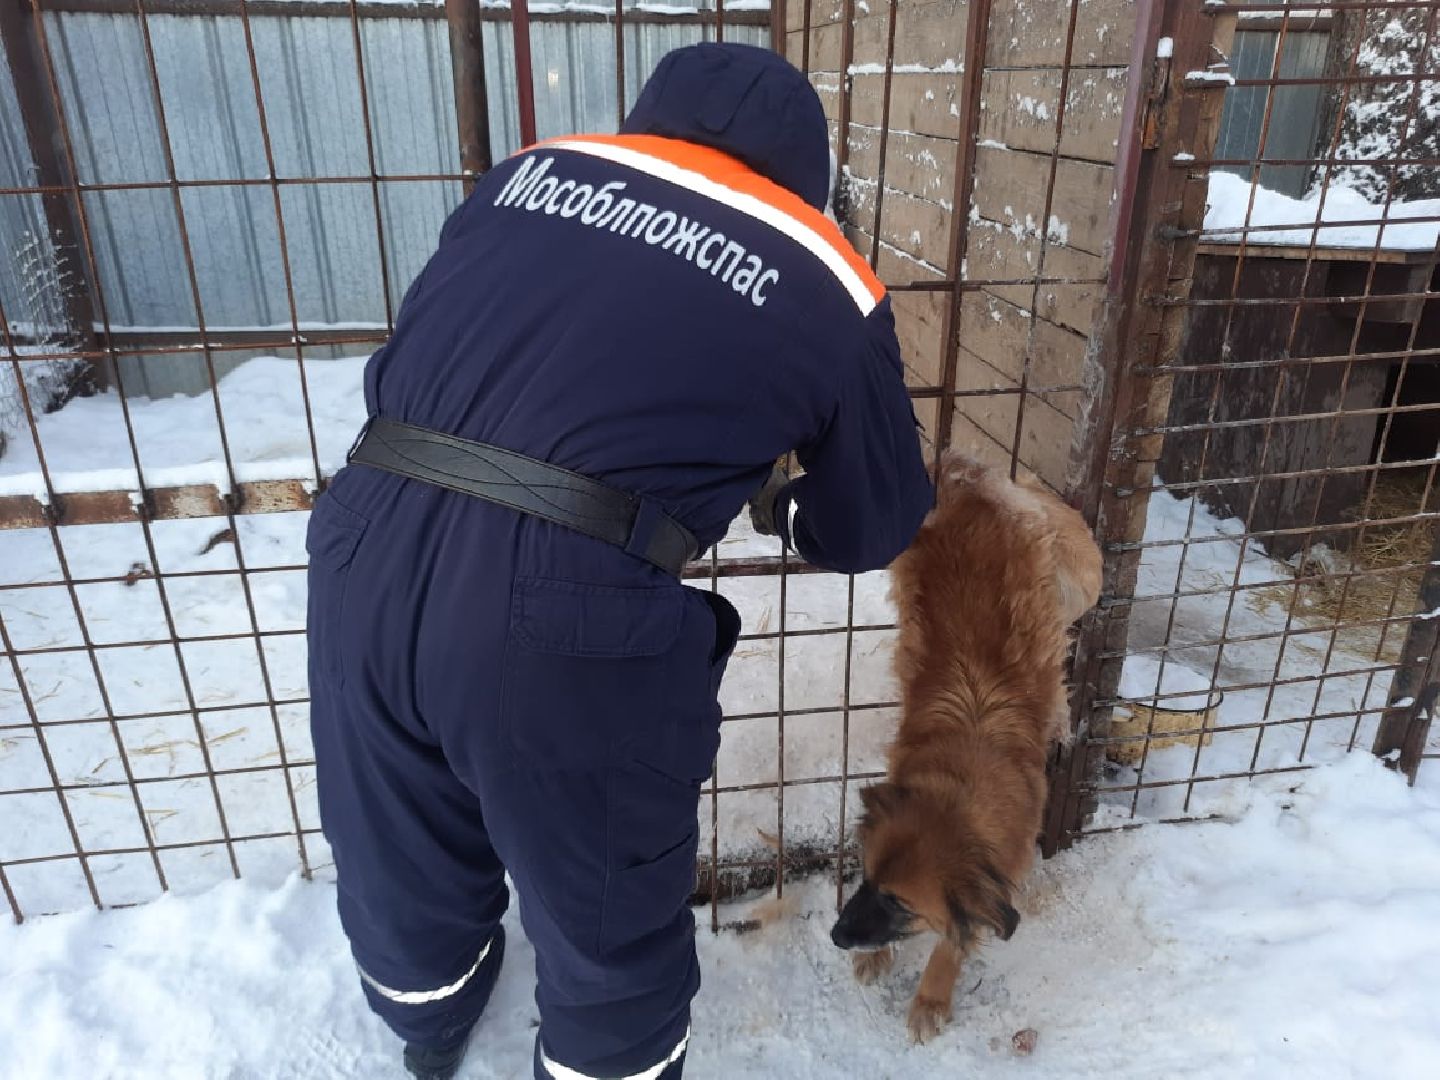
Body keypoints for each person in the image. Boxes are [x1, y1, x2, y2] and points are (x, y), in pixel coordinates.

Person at [305, 41, 932, 1080]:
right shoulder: (823, 266)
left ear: (644, 119)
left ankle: (430, 1016)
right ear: (810, 175)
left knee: (395, 841)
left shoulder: (527, 176)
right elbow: (869, 527)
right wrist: (784, 496)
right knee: (604, 903)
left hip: (364, 536)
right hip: (560, 603)